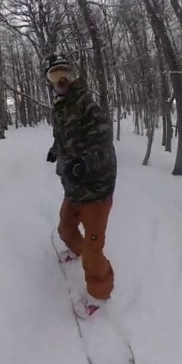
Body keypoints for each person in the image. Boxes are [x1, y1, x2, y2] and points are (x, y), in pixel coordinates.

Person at [44, 54, 117, 318]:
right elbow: (63, 136)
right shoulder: (61, 106)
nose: (60, 80)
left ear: (72, 76)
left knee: (94, 249)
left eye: (64, 74)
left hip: (96, 187)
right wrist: (56, 151)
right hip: (74, 185)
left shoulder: (86, 103)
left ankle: (99, 294)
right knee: (65, 226)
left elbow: (103, 143)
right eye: (54, 76)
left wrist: (84, 165)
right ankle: (77, 250)